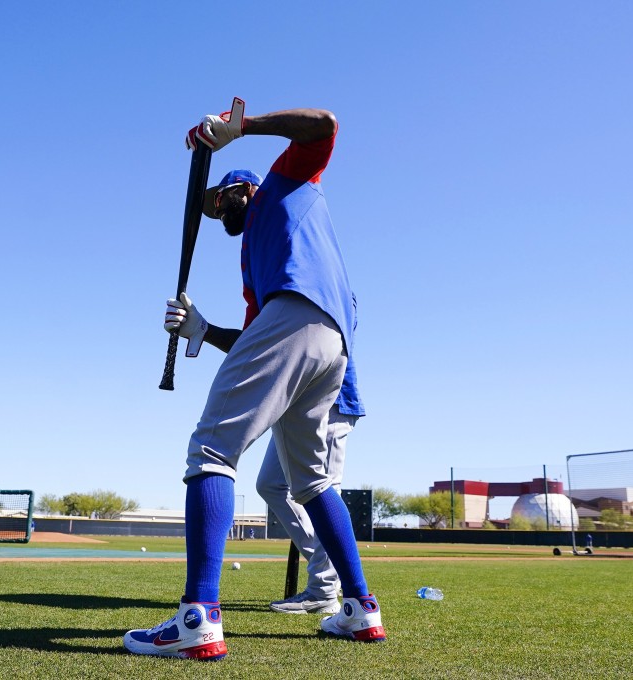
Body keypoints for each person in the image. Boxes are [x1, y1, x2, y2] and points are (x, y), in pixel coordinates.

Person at [124, 100, 384, 660]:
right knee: (312, 483)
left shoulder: (281, 184)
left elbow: (325, 125)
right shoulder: (256, 259)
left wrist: (243, 130)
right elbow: (255, 343)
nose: (217, 213)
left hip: (301, 317)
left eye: (221, 202)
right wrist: (202, 328)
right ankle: (361, 609)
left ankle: (197, 617)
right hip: (328, 342)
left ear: (242, 189)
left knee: (212, 450)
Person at [257, 360, 362, 615]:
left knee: (324, 488)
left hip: (330, 399)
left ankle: (324, 590)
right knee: (270, 485)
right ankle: (331, 568)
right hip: (290, 404)